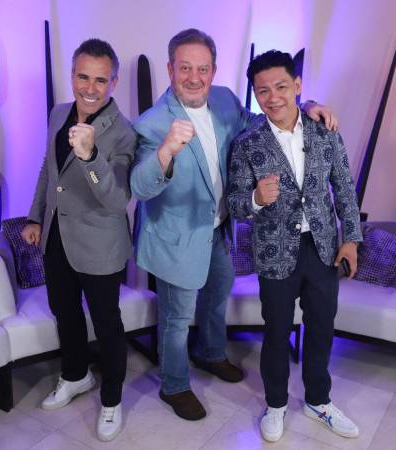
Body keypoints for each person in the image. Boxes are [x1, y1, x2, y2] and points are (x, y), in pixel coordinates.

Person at [130, 28, 337, 421]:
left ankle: (210, 353)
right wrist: (166, 151)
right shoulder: (152, 123)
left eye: (203, 69)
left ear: (213, 70)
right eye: (185, 68)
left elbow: (262, 120)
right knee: (176, 319)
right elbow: (139, 187)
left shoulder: (224, 99)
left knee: (217, 293)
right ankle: (174, 385)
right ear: (170, 70)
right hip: (177, 237)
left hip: (217, 230)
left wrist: (306, 104)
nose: (194, 77)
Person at [227, 50, 362, 442]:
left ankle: (319, 401)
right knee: (276, 332)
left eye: (281, 87)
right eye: (263, 90)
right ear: (255, 94)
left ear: (298, 86)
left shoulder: (325, 130)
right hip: (274, 252)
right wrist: (255, 198)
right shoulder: (246, 143)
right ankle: (275, 405)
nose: (273, 97)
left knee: (321, 328)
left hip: (322, 249)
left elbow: (345, 188)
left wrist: (351, 240)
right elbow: (235, 204)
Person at [21, 38, 135, 442]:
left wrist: (89, 157)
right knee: (64, 313)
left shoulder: (124, 133)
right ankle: (75, 375)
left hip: (100, 245)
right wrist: (36, 216)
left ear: (113, 82)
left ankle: (112, 399)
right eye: (83, 77)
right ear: (72, 75)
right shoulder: (58, 113)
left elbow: (117, 199)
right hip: (56, 237)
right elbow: (47, 170)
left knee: (107, 324)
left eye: (100, 80)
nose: (90, 88)